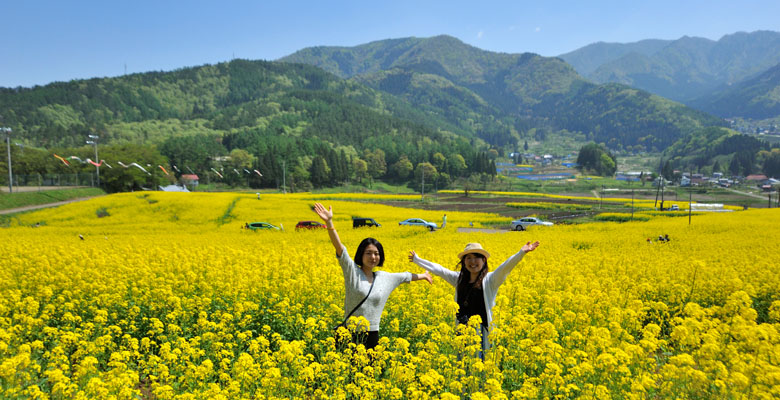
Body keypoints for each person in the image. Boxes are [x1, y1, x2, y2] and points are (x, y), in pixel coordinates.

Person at [313, 202, 432, 350]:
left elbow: (405, 276)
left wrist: (424, 275)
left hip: (372, 334)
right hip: (349, 333)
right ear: (361, 255)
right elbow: (340, 249)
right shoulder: (353, 273)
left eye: (376, 254)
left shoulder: (384, 278)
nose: (373, 257)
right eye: (368, 253)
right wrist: (329, 222)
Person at [409, 241, 540, 359]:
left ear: (484, 260)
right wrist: (417, 260)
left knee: (480, 366)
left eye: (477, 257)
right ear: (464, 262)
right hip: (461, 330)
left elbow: (505, 268)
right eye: (468, 258)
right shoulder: (459, 279)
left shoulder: (491, 280)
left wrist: (521, 253)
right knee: (462, 364)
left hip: (481, 332)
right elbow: (440, 270)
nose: (472, 262)